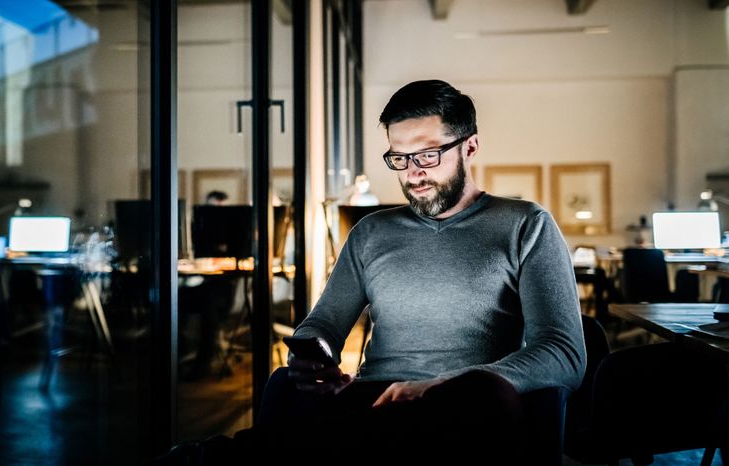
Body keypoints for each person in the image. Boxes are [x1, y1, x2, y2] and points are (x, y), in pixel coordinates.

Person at [157, 80, 586, 464]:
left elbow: (564, 354)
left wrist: (438, 385)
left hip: (464, 404)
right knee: (288, 384)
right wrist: (313, 352)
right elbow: (324, 322)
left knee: (485, 396)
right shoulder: (372, 232)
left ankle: (225, 457)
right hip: (374, 399)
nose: (413, 173)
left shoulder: (525, 225)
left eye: (428, 154)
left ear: (469, 147)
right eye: (399, 158)